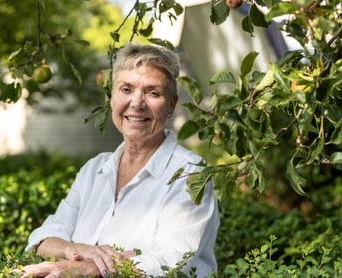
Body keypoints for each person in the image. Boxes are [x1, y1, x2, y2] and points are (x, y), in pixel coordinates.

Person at [18, 43, 220, 278]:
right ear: (111, 97)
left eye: (152, 93)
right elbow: (42, 240)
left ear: (172, 105)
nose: (137, 103)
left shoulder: (190, 174)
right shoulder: (94, 169)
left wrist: (91, 268)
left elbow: (172, 260)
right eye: (126, 89)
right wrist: (74, 250)